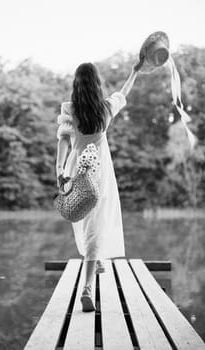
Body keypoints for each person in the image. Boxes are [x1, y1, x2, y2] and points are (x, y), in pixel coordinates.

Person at [56, 58, 144, 312]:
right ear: (96, 84)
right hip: (99, 170)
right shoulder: (104, 108)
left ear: (77, 84)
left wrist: (60, 167)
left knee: (87, 220)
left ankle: (95, 261)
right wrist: (134, 72)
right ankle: (87, 287)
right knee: (97, 220)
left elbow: (63, 139)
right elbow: (123, 93)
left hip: (75, 168)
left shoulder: (69, 107)